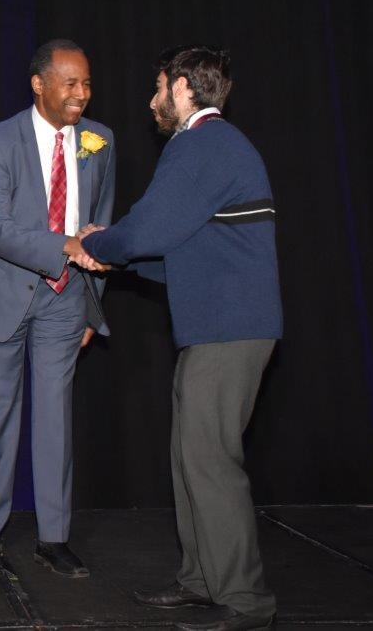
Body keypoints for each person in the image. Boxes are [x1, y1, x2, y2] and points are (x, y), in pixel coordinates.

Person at [79, 45, 282, 631]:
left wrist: (96, 243)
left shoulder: (201, 145)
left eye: (159, 87)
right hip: (219, 326)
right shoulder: (216, 147)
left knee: (211, 462)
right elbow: (179, 251)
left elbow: (148, 230)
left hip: (228, 329)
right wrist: (113, 255)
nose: (152, 101)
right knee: (190, 458)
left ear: (185, 88)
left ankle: (245, 600)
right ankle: (202, 580)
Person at [0, 39, 116, 577]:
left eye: (86, 83)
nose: (81, 94)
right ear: (38, 84)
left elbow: (103, 230)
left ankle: (54, 538)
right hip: (1, 294)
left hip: (66, 298)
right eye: (70, 83)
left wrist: (92, 305)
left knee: (55, 418)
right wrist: (63, 245)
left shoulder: (101, 140)